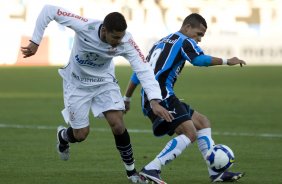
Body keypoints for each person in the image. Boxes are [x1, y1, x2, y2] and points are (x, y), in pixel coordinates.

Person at [20, 4, 174, 183]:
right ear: (104, 30)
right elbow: (49, 10)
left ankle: (132, 173)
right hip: (76, 84)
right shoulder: (84, 26)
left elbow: (143, 69)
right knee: (81, 134)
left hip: (104, 83)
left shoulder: (126, 42)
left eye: (121, 37)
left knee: (117, 124)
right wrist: (35, 41)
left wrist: (154, 99)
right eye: (115, 37)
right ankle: (63, 136)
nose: (118, 41)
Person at [123, 13, 246, 183]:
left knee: (202, 122)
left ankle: (215, 173)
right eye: (199, 34)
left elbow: (139, 73)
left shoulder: (161, 42)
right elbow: (198, 60)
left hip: (152, 96)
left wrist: (127, 98)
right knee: (190, 133)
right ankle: (152, 168)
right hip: (161, 96)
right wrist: (227, 61)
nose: (200, 39)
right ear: (187, 27)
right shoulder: (184, 40)